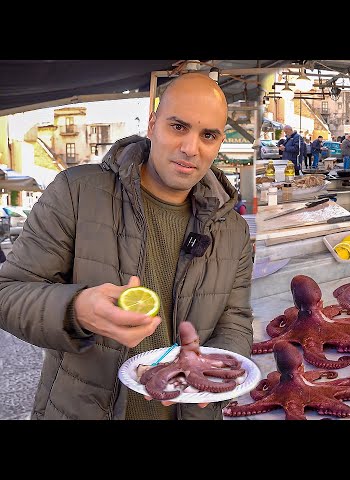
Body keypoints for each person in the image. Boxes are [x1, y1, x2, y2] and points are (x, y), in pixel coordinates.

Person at [0, 72, 254, 420]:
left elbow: (235, 321)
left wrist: (214, 378)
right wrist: (75, 309)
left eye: (207, 135)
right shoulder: (76, 193)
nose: (190, 148)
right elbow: (7, 292)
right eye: (178, 127)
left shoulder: (234, 230)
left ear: (219, 142)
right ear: (152, 124)